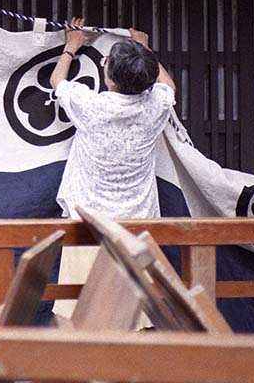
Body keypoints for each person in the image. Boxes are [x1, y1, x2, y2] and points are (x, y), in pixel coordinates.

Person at [48, 18, 177, 321]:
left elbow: (57, 83)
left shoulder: (91, 106)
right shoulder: (154, 107)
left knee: (79, 312)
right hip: (136, 222)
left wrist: (71, 46)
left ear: (110, 79)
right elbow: (168, 86)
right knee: (135, 314)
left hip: (88, 221)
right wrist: (144, 48)